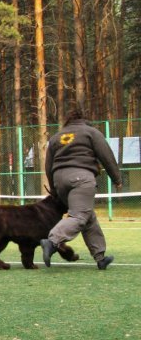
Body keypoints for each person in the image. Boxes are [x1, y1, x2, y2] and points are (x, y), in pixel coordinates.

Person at [40, 109, 122, 270]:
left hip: (59, 179)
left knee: (88, 216)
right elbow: (106, 156)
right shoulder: (90, 132)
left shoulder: (57, 137)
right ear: (84, 120)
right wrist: (117, 179)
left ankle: (100, 257)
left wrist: (54, 189)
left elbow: (48, 166)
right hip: (81, 177)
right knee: (79, 216)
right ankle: (52, 241)